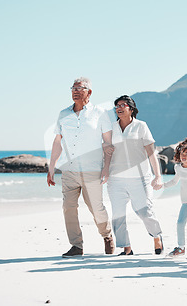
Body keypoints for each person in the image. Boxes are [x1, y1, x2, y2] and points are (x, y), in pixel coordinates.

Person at [47, 77, 115, 258]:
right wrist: (51, 166)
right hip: (69, 170)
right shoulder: (63, 114)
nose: (75, 91)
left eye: (80, 88)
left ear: (89, 92)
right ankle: (76, 245)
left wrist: (106, 168)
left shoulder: (100, 113)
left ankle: (107, 236)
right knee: (68, 207)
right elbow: (57, 141)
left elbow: (108, 144)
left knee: (96, 207)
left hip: (92, 170)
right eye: (73, 88)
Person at [107, 95, 164, 256]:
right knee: (118, 215)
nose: (119, 107)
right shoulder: (112, 128)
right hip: (116, 179)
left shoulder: (141, 126)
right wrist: (104, 172)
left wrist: (157, 175)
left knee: (145, 211)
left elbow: (151, 152)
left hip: (140, 178)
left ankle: (156, 236)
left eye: (123, 105)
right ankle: (127, 248)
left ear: (131, 109)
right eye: (116, 105)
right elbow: (107, 152)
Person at [158, 138, 187, 260]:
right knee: (180, 223)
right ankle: (181, 247)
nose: (183, 156)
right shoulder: (178, 168)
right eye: (182, 153)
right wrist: (162, 185)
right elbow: (174, 182)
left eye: (186, 153)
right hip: (186, 202)